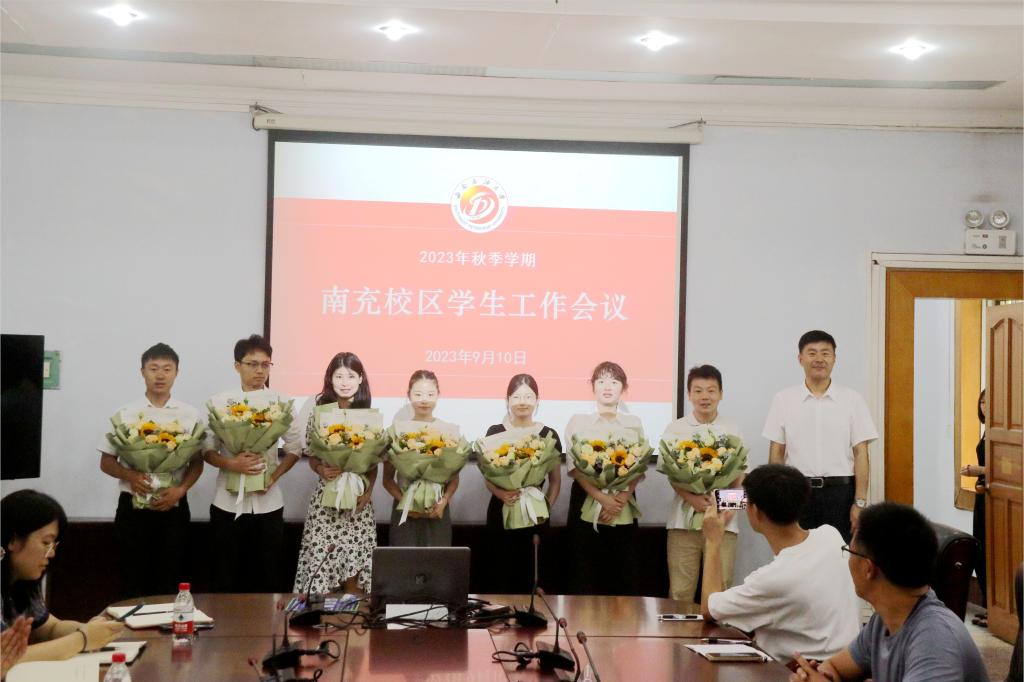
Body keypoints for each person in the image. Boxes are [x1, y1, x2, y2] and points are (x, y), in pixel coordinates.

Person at [790, 502, 987, 682]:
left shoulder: (935, 640)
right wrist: (817, 676)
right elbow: (834, 667)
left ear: (868, 568)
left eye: (849, 551)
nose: (848, 560)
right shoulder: (884, 620)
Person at [700, 464, 860, 664]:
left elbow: (709, 609)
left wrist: (713, 541)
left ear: (755, 512)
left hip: (801, 672)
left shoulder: (771, 579)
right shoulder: (831, 536)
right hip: (849, 663)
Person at [97, 342, 204, 599]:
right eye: (153, 368)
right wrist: (131, 476)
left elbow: (197, 462)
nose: (160, 375)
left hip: (173, 506)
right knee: (131, 578)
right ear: (142, 372)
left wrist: (181, 489)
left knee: (170, 577)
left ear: (176, 373)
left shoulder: (190, 414)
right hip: (132, 508)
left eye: (167, 369)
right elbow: (106, 462)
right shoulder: (125, 414)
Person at [203, 334, 300, 592]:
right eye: (252, 364)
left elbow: (295, 448)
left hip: (269, 503)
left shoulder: (282, 403)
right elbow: (207, 451)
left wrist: (274, 477)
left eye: (265, 364)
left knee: (267, 578)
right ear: (237, 366)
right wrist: (231, 464)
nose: (260, 370)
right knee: (225, 578)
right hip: (226, 503)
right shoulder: (220, 403)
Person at [764, 330, 877, 541]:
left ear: (834, 358)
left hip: (840, 495)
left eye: (825, 353)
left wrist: (860, 503)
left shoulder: (852, 400)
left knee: (839, 555)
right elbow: (776, 452)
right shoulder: (784, 399)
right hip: (796, 493)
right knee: (796, 554)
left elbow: (861, 453)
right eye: (812, 353)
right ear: (800, 358)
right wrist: (777, 498)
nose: (819, 359)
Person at [1, 490, 124, 663]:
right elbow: (6, 659)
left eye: (54, 545)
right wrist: (83, 639)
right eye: (46, 543)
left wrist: (91, 629)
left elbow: (50, 628)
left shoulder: (21, 584)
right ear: (13, 541)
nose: (51, 554)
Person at [292, 352, 377, 595]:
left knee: (355, 577)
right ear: (330, 379)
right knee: (321, 577)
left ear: (360, 379)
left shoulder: (369, 414)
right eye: (339, 376)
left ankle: (352, 616)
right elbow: (312, 455)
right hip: (326, 504)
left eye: (350, 376)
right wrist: (321, 468)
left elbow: (372, 464)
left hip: (357, 505)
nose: (344, 382)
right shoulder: (319, 412)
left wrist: (368, 493)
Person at [662, 365, 742, 610]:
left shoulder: (732, 429)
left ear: (721, 394)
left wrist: (727, 510)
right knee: (680, 591)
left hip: (723, 522)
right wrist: (692, 498)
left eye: (711, 390)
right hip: (683, 523)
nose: (705, 396)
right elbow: (671, 474)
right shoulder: (676, 428)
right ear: (689, 395)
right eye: (698, 391)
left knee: (722, 588)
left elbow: (741, 475)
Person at [564, 361, 645, 596]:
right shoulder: (578, 421)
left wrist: (620, 498)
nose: (607, 387)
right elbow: (574, 467)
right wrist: (601, 498)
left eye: (614, 381)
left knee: (622, 570)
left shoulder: (633, 422)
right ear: (593, 386)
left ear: (624, 387)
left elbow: (639, 466)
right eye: (601, 381)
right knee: (585, 570)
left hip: (622, 503)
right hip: (585, 497)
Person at [483, 374, 563, 594]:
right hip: (502, 509)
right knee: (501, 572)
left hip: (535, 514)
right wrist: (500, 494)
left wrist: (545, 508)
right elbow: (488, 477)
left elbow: (555, 480)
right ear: (507, 400)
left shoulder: (549, 434)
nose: (522, 402)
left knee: (533, 575)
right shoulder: (495, 432)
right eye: (517, 397)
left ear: (537, 400)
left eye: (528, 397)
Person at [383, 370, 461, 547]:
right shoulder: (397, 432)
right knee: (403, 561)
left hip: (437, 510)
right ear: (409, 395)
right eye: (418, 394)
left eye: (430, 394)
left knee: (438, 561)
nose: (424, 400)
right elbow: (387, 480)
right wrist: (406, 504)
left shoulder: (448, 431)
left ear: (438, 395)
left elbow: (454, 478)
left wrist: (444, 501)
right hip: (405, 512)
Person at [959, 389, 988, 627]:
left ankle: (996, 612)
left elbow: (1008, 466)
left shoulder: (1005, 433)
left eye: (988, 402)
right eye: (982, 402)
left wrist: (978, 471)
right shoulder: (987, 430)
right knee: (981, 551)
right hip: (981, 496)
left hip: (993, 495)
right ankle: (989, 607)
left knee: (991, 551)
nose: (984, 406)